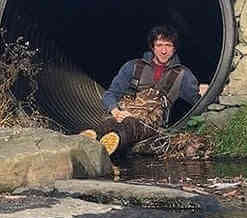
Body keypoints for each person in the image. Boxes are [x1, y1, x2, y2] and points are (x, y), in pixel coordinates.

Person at [80, 25, 208, 155]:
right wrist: (116, 111)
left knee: (130, 125)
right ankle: (87, 139)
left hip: (150, 123)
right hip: (123, 114)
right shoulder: (133, 66)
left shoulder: (183, 74)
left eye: (168, 45)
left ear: (174, 48)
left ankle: (110, 144)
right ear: (152, 47)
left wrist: (204, 93)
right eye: (159, 45)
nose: (163, 50)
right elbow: (110, 94)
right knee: (110, 123)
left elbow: (198, 103)